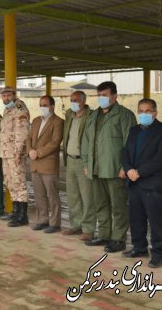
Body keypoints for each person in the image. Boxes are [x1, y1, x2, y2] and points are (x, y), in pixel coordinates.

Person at [82, 81, 136, 253]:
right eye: (99, 95)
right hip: (96, 168)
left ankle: (119, 238)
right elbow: (86, 140)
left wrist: (125, 166)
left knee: (118, 205)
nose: (101, 98)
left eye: (104, 95)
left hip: (115, 168)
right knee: (101, 203)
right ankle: (104, 234)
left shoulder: (124, 115)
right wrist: (86, 163)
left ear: (114, 96)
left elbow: (131, 142)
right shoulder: (93, 115)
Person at [121, 99, 162, 268]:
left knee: (156, 220)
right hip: (134, 182)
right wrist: (128, 168)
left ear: (155, 113)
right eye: (140, 111)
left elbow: (161, 158)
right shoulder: (134, 130)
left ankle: (158, 253)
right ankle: (139, 247)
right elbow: (125, 152)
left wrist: (139, 172)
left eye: (147, 111)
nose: (143, 114)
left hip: (153, 183)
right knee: (136, 218)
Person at [27, 95, 64, 233]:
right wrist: (30, 150)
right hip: (35, 164)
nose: (42, 107)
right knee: (39, 195)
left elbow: (55, 143)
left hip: (48, 164)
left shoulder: (58, 122)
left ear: (52, 106)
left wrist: (38, 152)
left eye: (45, 105)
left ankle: (55, 223)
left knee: (52, 195)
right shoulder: (36, 121)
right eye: (40, 104)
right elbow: (29, 138)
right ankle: (42, 220)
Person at [62, 91, 95, 240]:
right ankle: (76, 225)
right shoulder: (69, 115)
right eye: (71, 100)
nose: (73, 102)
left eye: (76, 100)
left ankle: (88, 228)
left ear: (84, 101)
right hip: (70, 160)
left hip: (83, 161)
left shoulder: (91, 116)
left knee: (87, 196)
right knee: (72, 195)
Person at [0, 88, 30, 227]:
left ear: (13, 95)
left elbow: (22, 131)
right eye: (3, 96)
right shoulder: (7, 110)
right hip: (6, 153)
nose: (5, 98)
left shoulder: (19, 108)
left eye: (8, 95)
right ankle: (16, 212)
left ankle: (23, 216)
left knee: (19, 183)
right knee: (10, 182)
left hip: (15, 153)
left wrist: (18, 152)